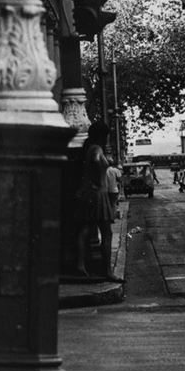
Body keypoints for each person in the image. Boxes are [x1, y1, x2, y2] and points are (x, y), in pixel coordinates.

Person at [75, 120, 122, 282]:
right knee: (106, 232)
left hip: (89, 193)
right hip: (98, 194)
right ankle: (107, 270)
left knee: (85, 229)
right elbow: (96, 160)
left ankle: (80, 264)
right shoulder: (97, 148)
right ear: (102, 136)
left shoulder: (88, 148)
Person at [105, 154, 122, 220]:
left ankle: (110, 217)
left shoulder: (105, 171)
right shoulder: (116, 170)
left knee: (108, 204)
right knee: (114, 204)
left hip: (106, 190)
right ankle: (113, 217)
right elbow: (120, 180)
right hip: (114, 190)